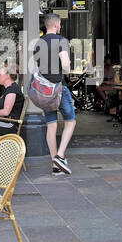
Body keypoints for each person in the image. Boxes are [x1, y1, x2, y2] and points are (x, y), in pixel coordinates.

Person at [33, 13, 75, 175]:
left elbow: (36, 68)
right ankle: (60, 155)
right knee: (70, 121)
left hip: (44, 90)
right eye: (60, 25)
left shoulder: (38, 42)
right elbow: (65, 65)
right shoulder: (61, 41)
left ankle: (55, 164)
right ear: (56, 25)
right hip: (59, 88)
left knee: (51, 125)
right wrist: (68, 65)